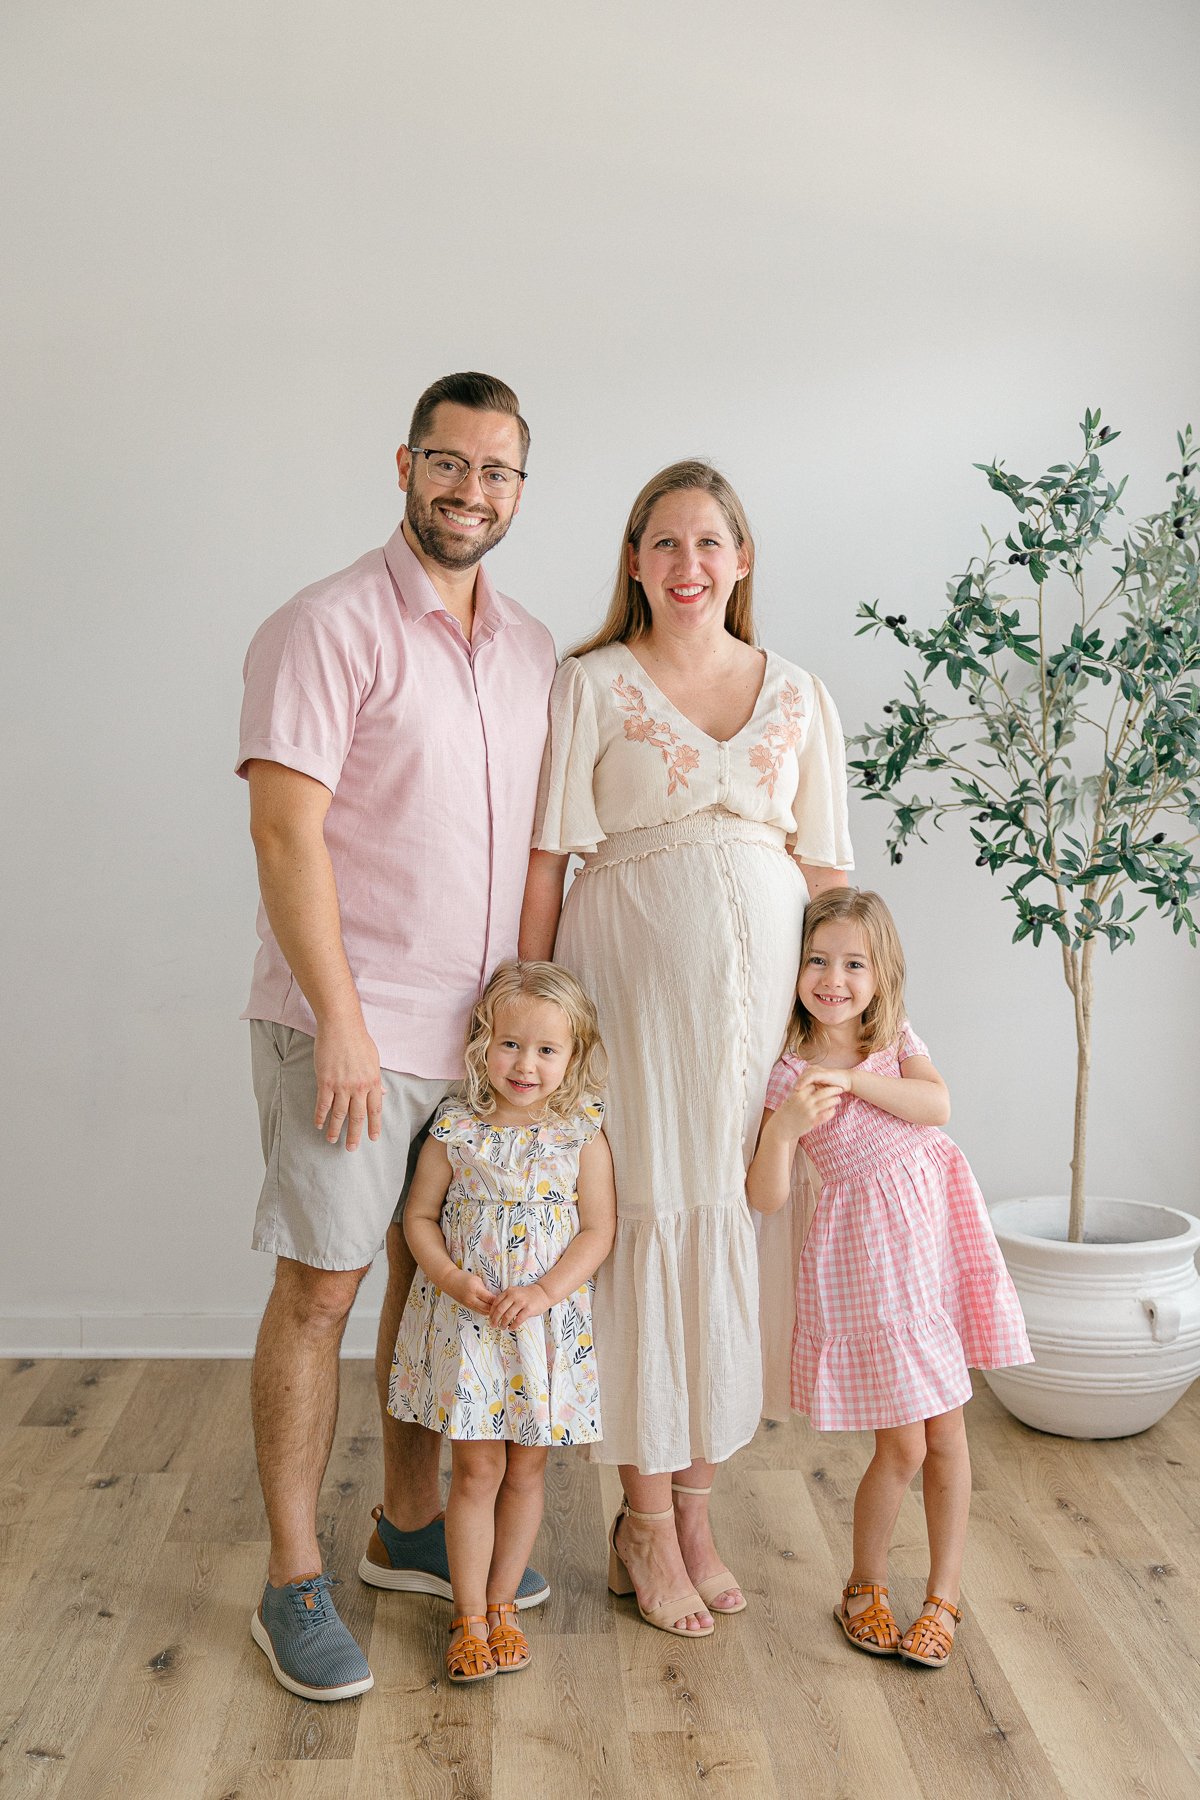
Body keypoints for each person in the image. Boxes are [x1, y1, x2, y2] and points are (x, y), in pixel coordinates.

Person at [238, 372, 558, 1702]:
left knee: (439, 1295)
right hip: (350, 1030)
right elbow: (283, 830)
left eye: (495, 472)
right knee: (325, 1288)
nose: (468, 490)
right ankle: (292, 1580)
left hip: (487, 1050)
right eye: (448, 462)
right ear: (403, 464)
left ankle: (411, 1531)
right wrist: (345, 1024)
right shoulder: (326, 625)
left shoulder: (536, 648)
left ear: (519, 490)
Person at [520, 461, 853, 1636]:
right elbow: (550, 856)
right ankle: (644, 1524)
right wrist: (529, 1011)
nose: (688, 565)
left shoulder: (802, 693)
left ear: (744, 559)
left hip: (760, 1010)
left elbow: (827, 881)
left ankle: (694, 1513)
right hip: (631, 1001)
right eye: (663, 543)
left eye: (709, 542)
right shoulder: (591, 683)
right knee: (647, 1223)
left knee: (737, 1228)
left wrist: (848, 1029)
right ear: (633, 560)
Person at [746, 888, 1032, 1668]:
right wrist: (789, 1127)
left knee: (948, 1435)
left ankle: (945, 1593)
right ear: (793, 968)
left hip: (932, 1258)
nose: (832, 978)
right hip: (867, 1271)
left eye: (853, 963)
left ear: (881, 973)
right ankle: (863, 1585)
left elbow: (936, 1105)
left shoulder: (893, 1042)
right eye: (816, 960)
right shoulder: (787, 1074)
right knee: (902, 1447)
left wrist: (857, 1082)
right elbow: (764, 1196)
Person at [391, 961, 616, 1682]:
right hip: (470, 1325)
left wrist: (547, 1291)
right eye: (510, 1044)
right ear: (483, 1044)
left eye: (548, 1050)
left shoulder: (580, 1134)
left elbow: (598, 1232)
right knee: (477, 1469)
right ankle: (466, 1615)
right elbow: (419, 1218)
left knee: (527, 1468)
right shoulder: (457, 1129)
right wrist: (454, 1279)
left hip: (540, 1327)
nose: (526, 1064)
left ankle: (503, 1606)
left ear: (573, 1057)